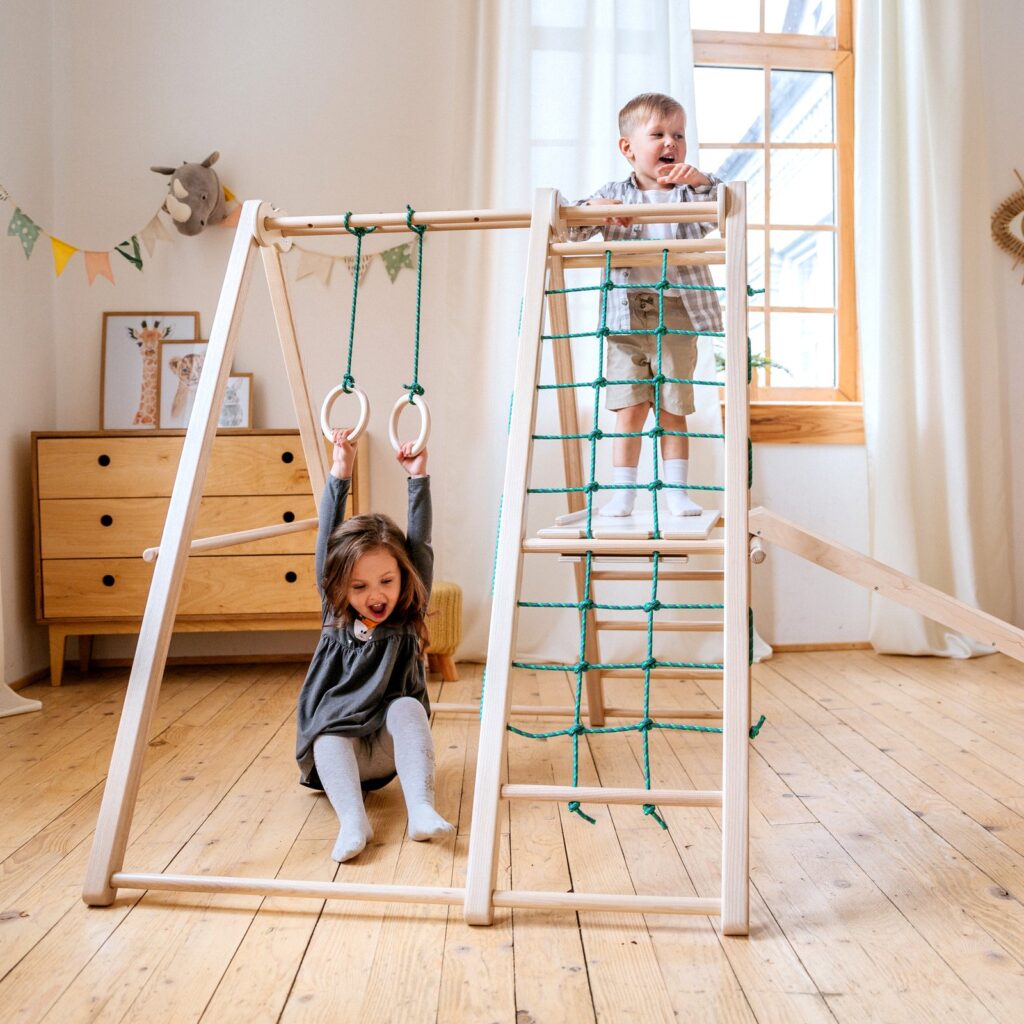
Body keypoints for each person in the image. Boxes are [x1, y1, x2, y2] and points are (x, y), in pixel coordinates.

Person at [295, 427, 454, 862]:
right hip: (339, 758)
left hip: (384, 753)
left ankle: (420, 809)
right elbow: (326, 534)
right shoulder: (335, 612)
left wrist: (417, 479)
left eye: (386, 580)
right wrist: (339, 471)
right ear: (339, 586)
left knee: (406, 707)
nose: (375, 594)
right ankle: (353, 821)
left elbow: (419, 543)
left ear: (405, 578)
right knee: (327, 735)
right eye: (360, 585)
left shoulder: (406, 615)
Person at [568, 92, 723, 518]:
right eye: (657, 134)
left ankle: (675, 492)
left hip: (676, 309)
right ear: (628, 148)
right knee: (630, 407)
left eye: (678, 134)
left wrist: (700, 180)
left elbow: (729, 204)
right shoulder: (614, 194)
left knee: (673, 407)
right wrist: (593, 211)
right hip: (624, 315)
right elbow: (572, 230)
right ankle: (624, 494)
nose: (670, 142)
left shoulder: (690, 196)